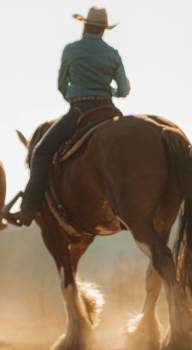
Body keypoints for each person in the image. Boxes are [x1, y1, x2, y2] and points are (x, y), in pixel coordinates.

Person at [9, 7, 131, 226]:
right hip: (109, 112)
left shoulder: (71, 50)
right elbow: (124, 90)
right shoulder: (113, 53)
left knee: (40, 152)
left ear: (85, 26)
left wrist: (73, 95)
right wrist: (109, 92)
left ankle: (28, 210)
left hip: (80, 112)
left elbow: (61, 85)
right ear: (104, 31)